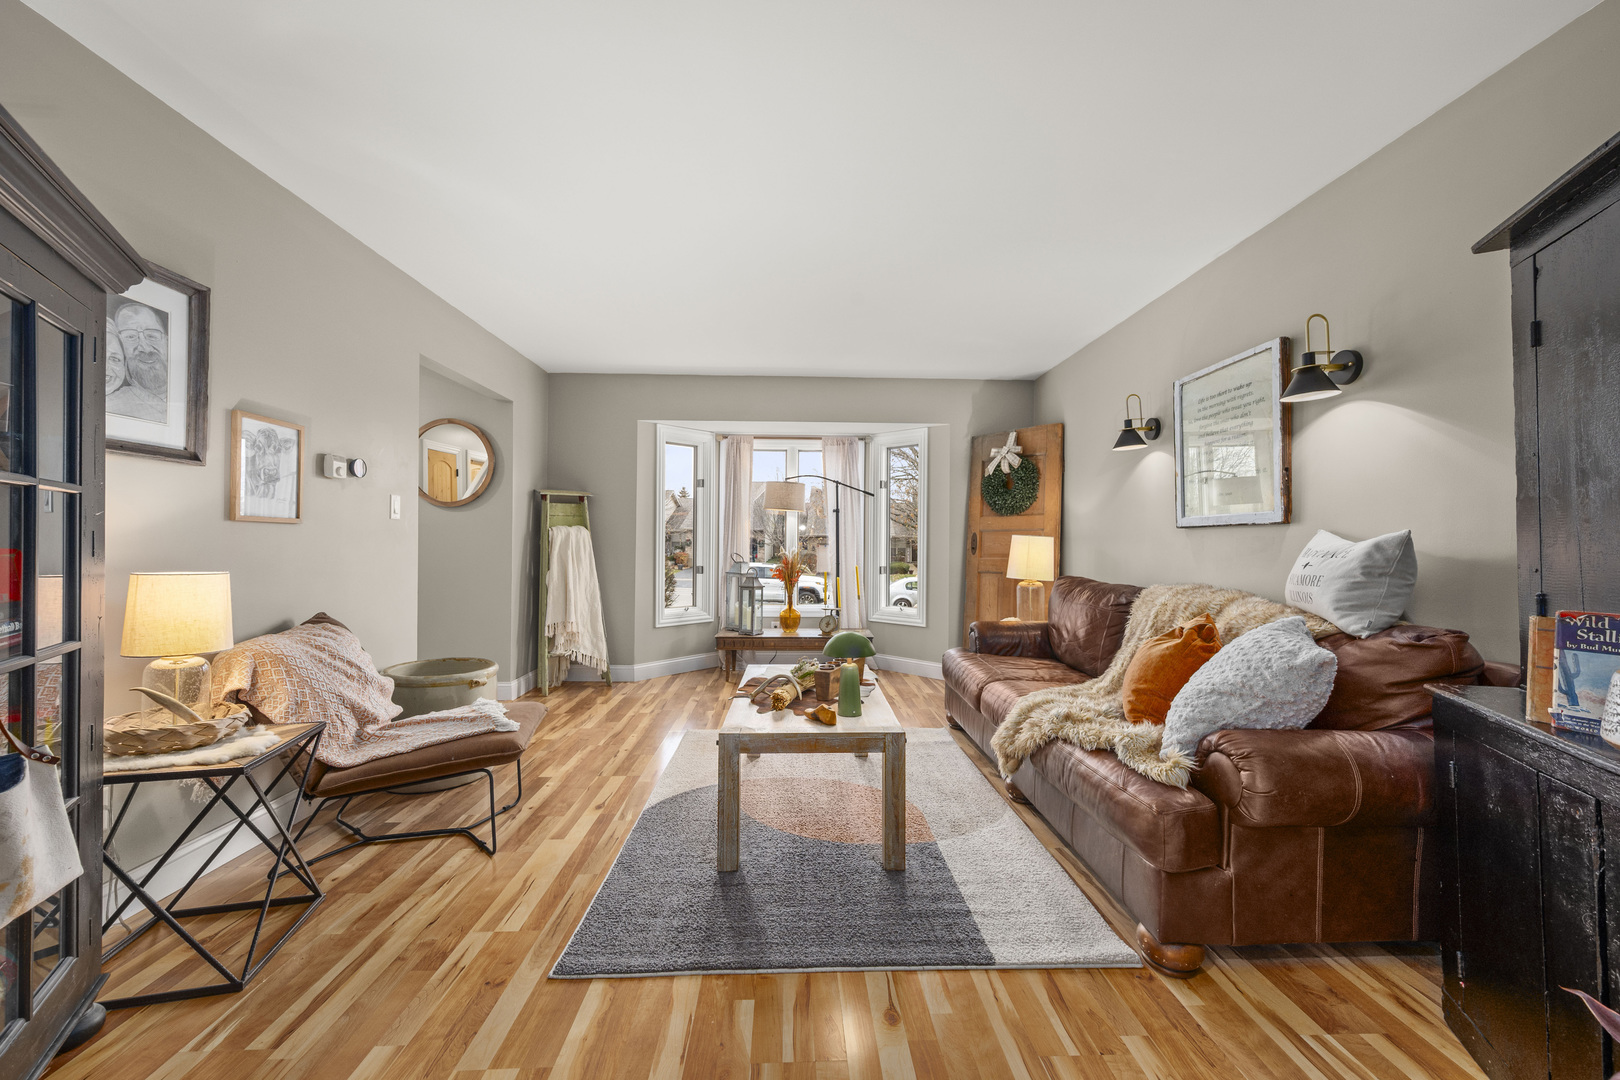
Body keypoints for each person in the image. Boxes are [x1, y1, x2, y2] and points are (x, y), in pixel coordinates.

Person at [107, 301, 167, 422]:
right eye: (130, 337)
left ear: (167, 341)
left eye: (152, 336)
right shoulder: (112, 406)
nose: (145, 348)